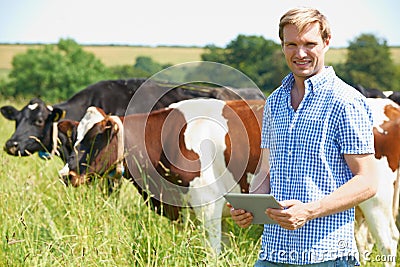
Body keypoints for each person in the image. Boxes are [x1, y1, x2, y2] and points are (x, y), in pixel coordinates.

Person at [229, 7, 378, 267]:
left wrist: (310, 210)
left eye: (310, 44)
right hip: (273, 253)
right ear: (282, 45)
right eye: (292, 44)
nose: (300, 53)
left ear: (326, 43)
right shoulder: (274, 101)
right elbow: (266, 170)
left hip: (327, 255)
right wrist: (249, 207)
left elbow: (367, 181)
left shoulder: (345, 102)